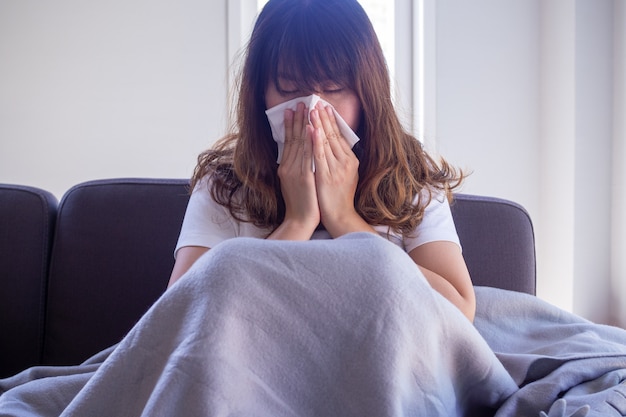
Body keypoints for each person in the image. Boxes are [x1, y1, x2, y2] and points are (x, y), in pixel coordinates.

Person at [168, 0, 475, 322]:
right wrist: (297, 223)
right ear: (260, 93)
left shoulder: (409, 180)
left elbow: (459, 312)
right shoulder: (224, 185)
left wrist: (344, 219)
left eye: (333, 88)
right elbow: (178, 318)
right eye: (289, 89)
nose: (314, 109)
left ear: (367, 93)